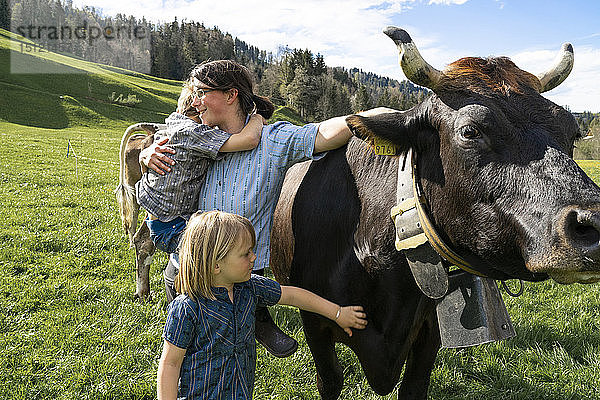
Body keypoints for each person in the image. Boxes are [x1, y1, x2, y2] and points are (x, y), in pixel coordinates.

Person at [141, 59, 373, 358]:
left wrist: (371, 118)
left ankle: (259, 319)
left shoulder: (272, 141)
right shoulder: (200, 135)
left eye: (201, 92)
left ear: (230, 95)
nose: (195, 101)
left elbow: (319, 134)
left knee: (228, 367)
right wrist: (146, 155)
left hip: (236, 284)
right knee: (187, 363)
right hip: (185, 273)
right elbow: (169, 147)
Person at [156, 210, 368, 400]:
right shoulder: (188, 308)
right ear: (216, 265)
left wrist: (338, 313)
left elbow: (292, 296)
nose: (253, 257)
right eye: (245, 253)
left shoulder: (249, 288)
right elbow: (170, 363)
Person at [136, 83, 265, 253]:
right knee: (223, 252)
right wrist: (257, 118)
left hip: (162, 221)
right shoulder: (194, 133)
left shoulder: (174, 126)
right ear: (198, 109)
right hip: (173, 228)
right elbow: (249, 140)